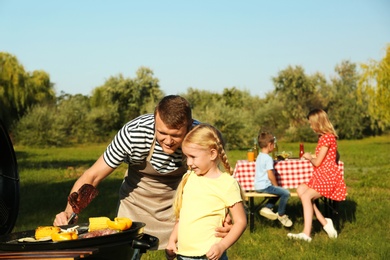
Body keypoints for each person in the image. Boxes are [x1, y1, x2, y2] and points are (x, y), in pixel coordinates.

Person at [53, 95, 231, 250]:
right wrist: (70, 212)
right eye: (162, 132)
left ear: (189, 126)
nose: (168, 141)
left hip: (179, 207)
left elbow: (216, 183)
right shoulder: (133, 133)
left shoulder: (199, 136)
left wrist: (227, 216)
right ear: (155, 121)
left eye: (176, 135)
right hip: (135, 205)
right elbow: (93, 176)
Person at [166, 124, 247, 260]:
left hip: (208, 255)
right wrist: (172, 240)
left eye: (193, 157)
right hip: (183, 255)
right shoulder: (189, 177)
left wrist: (221, 246)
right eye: (186, 157)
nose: (189, 163)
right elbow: (184, 216)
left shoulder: (226, 184)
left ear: (212, 154)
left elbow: (241, 222)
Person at [287, 109, 347, 242]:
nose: (310, 126)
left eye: (311, 123)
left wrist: (309, 158)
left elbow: (318, 162)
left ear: (317, 123)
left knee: (307, 196)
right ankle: (325, 223)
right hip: (321, 176)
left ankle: (306, 234)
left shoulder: (327, 137)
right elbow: (333, 156)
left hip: (327, 177)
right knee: (301, 190)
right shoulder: (325, 137)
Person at [254, 132, 293, 227]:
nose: (274, 146)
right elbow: (270, 174)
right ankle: (281, 214)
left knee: (279, 192)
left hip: (258, 186)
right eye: (273, 144)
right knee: (285, 193)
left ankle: (267, 207)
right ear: (269, 145)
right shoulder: (267, 158)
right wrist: (276, 185)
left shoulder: (259, 156)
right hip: (265, 186)